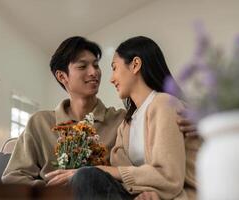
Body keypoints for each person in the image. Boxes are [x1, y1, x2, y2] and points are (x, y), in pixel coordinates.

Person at [2, 36, 198, 199]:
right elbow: (13, 177)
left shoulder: (122, 120)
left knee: (87, 177)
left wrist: (200, 123)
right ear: (62, 77)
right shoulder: (39, 123)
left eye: (96, 65)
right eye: (82, 66)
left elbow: (152, 170)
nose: (94, 72)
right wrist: (57, 190)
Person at [71, 36, 201, 200]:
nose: (111, 79)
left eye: (114, 68)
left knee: (86, 177)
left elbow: (169, 178)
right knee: (84, 180)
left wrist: (156, 194)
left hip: (181, 196)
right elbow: (125, 182)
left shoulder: (164, 104)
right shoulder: (125, 127)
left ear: (135, 65)